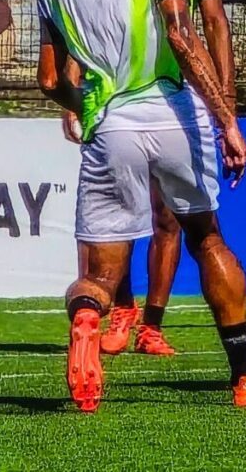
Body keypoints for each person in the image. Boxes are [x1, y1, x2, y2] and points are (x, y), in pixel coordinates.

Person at [33, 0, 246, 412]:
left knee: (101, 270)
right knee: (206, 236)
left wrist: (82, 106)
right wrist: (228, 120)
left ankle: (89, 318)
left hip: (109, 120)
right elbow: (181, 33)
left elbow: (48, 80)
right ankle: (245, 380)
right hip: (173, 111)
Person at [62, 107, 181, 357]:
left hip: (168, 115)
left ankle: (152, 327)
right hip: (115, 116)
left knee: (166, 218)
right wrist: (70, 104)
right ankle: (124, 307)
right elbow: (73, 67)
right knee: (116, 222)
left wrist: (224, 109)